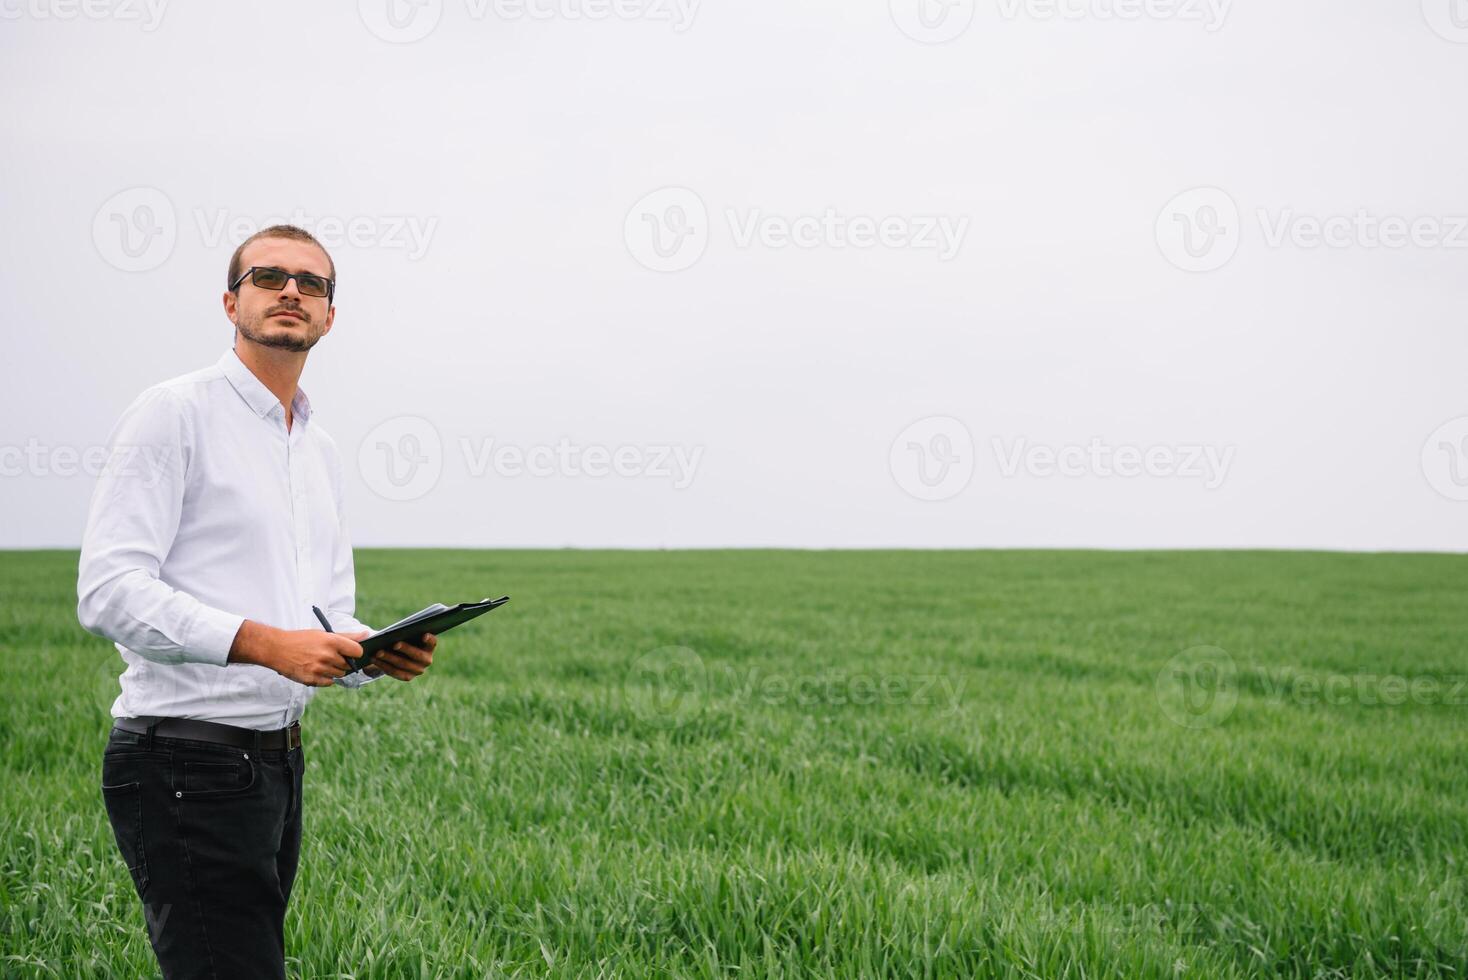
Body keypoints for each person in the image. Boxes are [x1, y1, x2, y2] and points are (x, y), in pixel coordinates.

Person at [77, 224, 437, 979]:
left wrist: (371, 654)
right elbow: (109, 591)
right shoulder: (173, 413)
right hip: (182, 756)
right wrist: (264, 644)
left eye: (312, 284)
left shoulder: (317, 447)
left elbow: (321, 616)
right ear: (231, 300)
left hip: (276, 765)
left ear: (330, 316)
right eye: (269, 276)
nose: (291, 292)